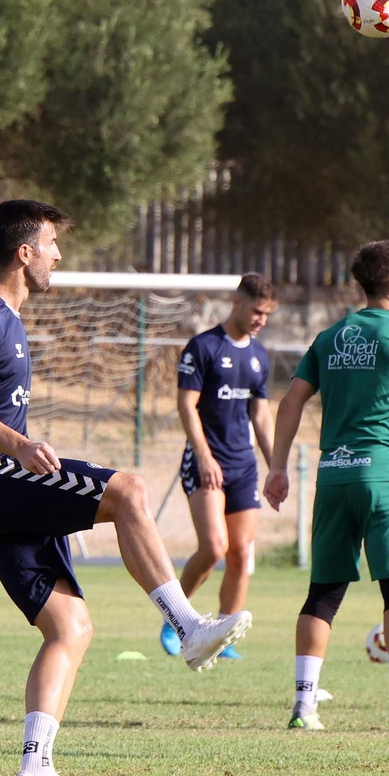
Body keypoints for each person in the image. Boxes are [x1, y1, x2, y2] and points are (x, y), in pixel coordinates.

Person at [0, 199, 250, 776]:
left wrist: (19, 450)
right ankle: (187, 627)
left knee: (70, 627)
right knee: (127, 489)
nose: (59, 254)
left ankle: (36, 769)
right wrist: (19, 445)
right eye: (51, 243)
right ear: (24, 254)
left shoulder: (11, 318)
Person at [264, 239, 389, 732]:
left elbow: (289, 402)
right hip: (384, 475)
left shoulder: (330, 336)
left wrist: (277, 466)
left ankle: (304, 708)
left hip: (332, 476)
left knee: (323, 593)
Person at [158, 273, 278, 659]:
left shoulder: (259, 356)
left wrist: (276, 466)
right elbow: (185, 405)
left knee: (241, 553)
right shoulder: (203, 346)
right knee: (213, 548)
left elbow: (260, 415)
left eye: (267, 314)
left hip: (244, 466)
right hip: (205, 461)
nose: (261, 319)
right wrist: (205, 455)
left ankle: (224, 633)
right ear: (238, 303)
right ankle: (178, 621)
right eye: (257, 311)